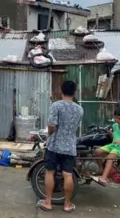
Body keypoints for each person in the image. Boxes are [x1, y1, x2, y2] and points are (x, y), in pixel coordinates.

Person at [37, 80, 83, 213]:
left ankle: (48, 202)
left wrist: (49, 134)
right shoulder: (79, 109)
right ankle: (67, 205)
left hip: (55, 145)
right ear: (74, 93)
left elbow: (52, 125)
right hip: (70, 146)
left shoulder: (56, 106)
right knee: (68, 174)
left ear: (61, 91)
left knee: (50, 172)